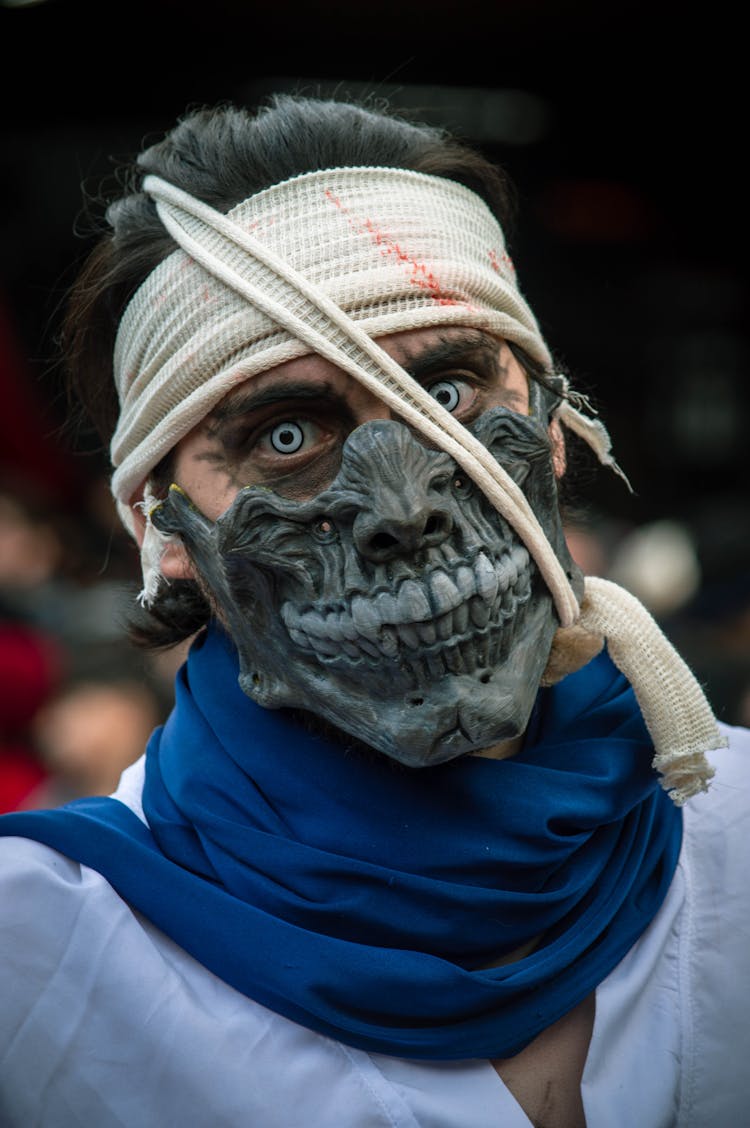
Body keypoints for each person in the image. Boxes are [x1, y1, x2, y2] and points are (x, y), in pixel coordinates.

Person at [0, 95, 747, 1128]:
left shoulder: (734, 836)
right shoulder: (37, 960)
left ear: (555, 425)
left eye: (446, 394)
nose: (404, 508)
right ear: (165, 532)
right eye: (288, 437)